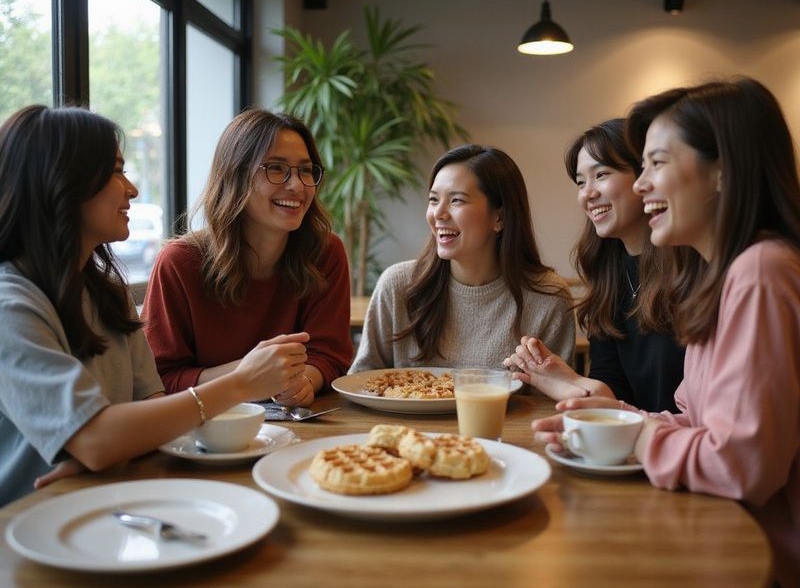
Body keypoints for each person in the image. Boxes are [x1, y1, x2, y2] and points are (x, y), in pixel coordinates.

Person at [532, 78, 800, 587]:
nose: (638, 184)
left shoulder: (761, 271)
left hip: (763, 559)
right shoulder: (727, 276)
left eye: (656, 163)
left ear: (722, 170)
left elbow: (744, 468)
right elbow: (695, 422)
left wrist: (635, 433)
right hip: (726, 534)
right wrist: (608, 428)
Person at [0, 105, 310, 505]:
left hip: (102, 502)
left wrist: (114, 446)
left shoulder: (106, 293)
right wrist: (242, 383)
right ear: (59, 181)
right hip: (24, 523)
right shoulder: (12, 305)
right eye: (115, 171)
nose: (131, 189)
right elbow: (95, 439)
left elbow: (152, 408)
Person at [142, 109, 352, 407]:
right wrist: (251, 376)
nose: (297, 185)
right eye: (276, 168)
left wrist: (303, 382)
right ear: (235, 175)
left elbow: (329, 355)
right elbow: (160, 380)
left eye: (306, 170)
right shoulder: (179, 263)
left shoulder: (325, 252)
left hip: (299, 427)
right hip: (204, 434)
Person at [504, 119, 690, 410]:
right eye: (580, 182)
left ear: (645, 177)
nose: (587, 194)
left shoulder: (690, 272)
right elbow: (614, 394)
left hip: (685, 445)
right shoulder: (608, 273)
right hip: (633, 444)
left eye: (601, 174)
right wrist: (571, 382)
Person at [350, 144, 574, 373]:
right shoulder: (397, 286)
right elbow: (362, 381)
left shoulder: (548, 297)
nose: (438, 214)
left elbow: (552, 400)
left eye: (456, 200)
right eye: (434, 200)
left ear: (500, 217)